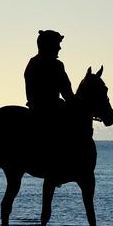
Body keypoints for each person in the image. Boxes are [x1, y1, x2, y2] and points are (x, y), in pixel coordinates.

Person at [24, 30, 76, 174]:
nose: (60, 48)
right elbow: (67, 93)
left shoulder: (32, 62)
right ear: (49, 46)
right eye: (57, 44)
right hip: (50, 109)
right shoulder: (56, 65)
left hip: (35, 107)